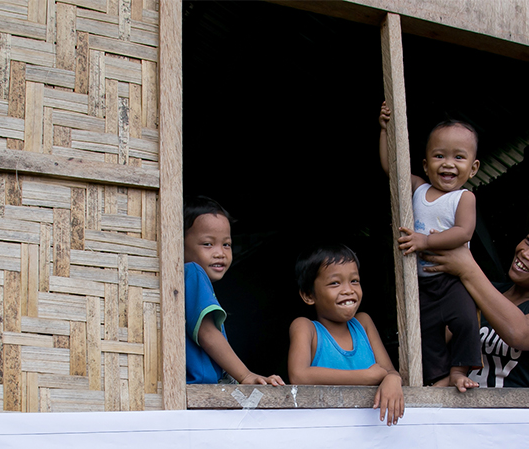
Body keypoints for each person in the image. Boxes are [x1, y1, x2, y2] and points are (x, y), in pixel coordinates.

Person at [421, 213, 529, 388]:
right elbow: (439, 339)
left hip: (515, 416)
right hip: (463, 411)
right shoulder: (482, 290)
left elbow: (518, 332)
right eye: (528, 241)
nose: (525, 253)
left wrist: (468, 269)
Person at [378, 102, 482, 391]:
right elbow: (391, 169)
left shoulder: (463, 198)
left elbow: (463, 233)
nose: (448, 163)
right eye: (439, 156)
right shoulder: (419, 189)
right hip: (421, 283)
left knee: (465, 321)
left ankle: (460, 371)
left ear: (473, 168)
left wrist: (426, 241)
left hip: (451, 281)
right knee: (425, 332)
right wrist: (385, 129)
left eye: (459, 157)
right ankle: (438, 378)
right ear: (426, 164)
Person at [288, 244, 404, 426]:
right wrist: (365, 377)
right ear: (309, 295)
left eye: (354, 281)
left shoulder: (363, 324)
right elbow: (299, 375)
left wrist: (392, 379)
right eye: (335, 283)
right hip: (325, 430)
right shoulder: (306, 328)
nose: (348, 290)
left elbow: (387, 371)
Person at [184, 196, 284, 386]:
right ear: (178, 244)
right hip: (200, 388)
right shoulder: (193, 272)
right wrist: (245, 375)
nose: (220, 253)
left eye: (226, 244)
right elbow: (207, 333)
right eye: (208, 244)